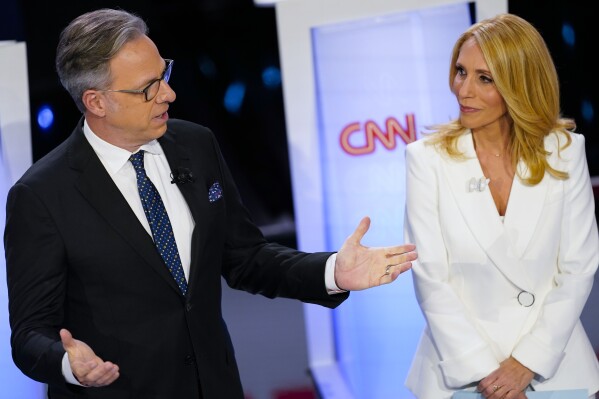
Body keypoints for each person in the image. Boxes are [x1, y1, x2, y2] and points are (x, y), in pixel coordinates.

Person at [3, 8, 418, 399]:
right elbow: (29, 334)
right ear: (96, 102)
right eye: (148, 88)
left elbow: (246, 258)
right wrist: (67, 364)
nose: (169, 93)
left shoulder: (195, 145)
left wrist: (332, 272)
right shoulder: (41, 196)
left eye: (164, 73)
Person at [403, 13, 599, 399]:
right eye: (461, 71)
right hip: (460, 374)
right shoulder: (426, 160)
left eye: (484, 78)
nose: (464, 90)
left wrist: (527, 363)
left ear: (520, 83)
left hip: (554, 371)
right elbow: (430, 278)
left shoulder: (564, 152)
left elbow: (579, 267)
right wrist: (487, 377)